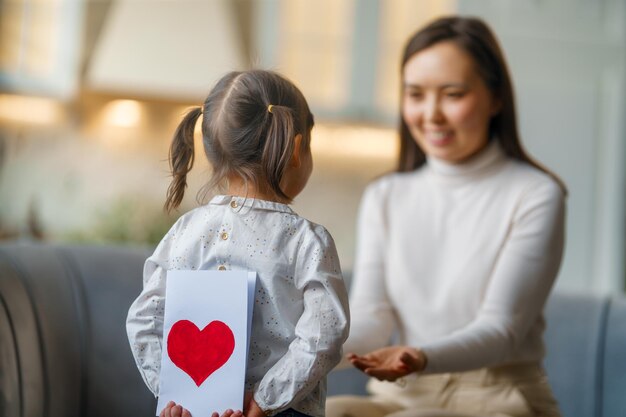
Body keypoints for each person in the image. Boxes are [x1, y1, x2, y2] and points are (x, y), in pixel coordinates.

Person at [326, 16, 566, 417]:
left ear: (496, 98)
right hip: (405, 395)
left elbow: (501, 330)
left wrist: (419, 355)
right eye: (415, 94)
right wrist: (303, 356)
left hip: (499, 398)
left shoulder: (536, 194)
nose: (431, 114)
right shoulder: (385, 195)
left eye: (452, 94)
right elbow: (372, 317)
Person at [126, 70, 350, 417]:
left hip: (192, 409)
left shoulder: (185, 231)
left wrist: (174, 392)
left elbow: (144, 319)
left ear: (213, 151)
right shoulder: (308, 241)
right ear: (295, 149)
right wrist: (265, 401)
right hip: (282, 411)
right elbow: (325, 334)